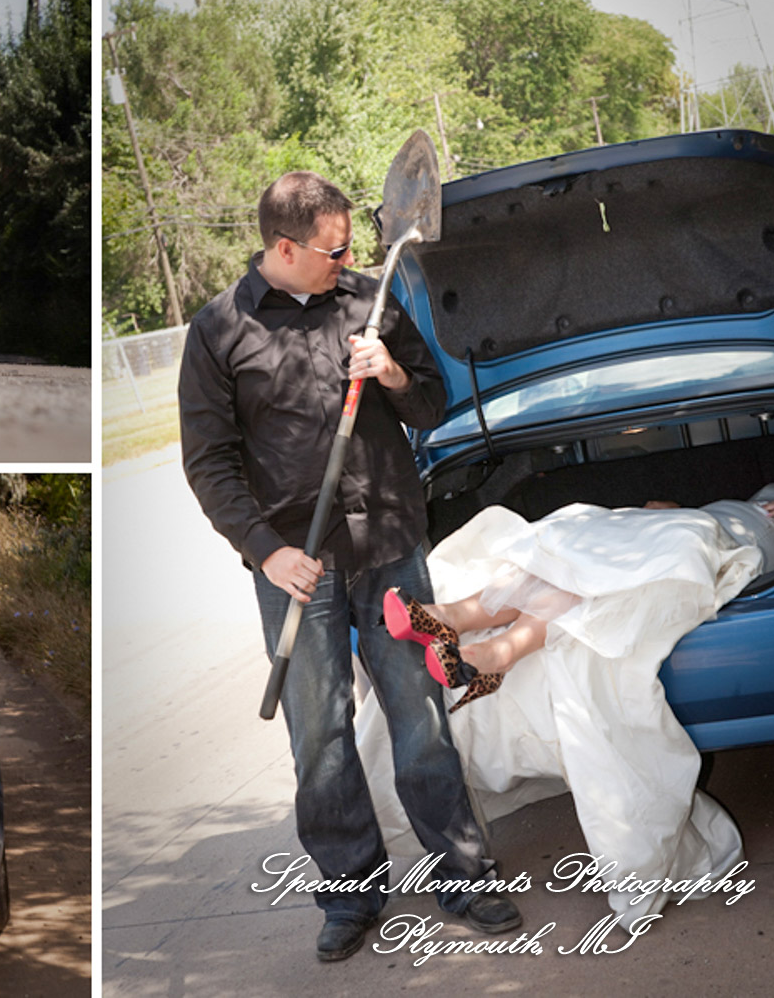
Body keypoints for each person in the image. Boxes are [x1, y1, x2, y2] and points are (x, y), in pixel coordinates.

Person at [178, 169, 522, 962]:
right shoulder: (219, 330)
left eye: (347, 249)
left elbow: (433, 405)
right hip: (301, 568)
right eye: (331, 253)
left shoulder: (371, 302)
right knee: (321, 740)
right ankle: (351, 894)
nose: (345, 261)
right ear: (284, 247)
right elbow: (210, 463)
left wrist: (392, 372)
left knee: (423, 719)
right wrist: (267, 551)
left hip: (393, 546)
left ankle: (464, 874)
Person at [362, 483, 774, 931]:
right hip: (691, 516)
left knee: (636, 556)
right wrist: (658, 510)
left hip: (753, 538)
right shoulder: (756, 490)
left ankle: (470, 629)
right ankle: (472, 630)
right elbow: (663, 509)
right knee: (577, 551)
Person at [384, 486, 774, 708]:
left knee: (610, 569)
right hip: (704, 519)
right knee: (574, 542)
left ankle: (481, 636)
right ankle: (464, 623)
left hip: (752, 543)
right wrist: (674, 509)